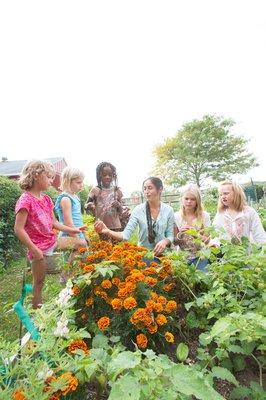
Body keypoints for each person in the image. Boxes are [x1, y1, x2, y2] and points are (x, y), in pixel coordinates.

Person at [14, 160, 86, 308]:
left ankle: (66, 275)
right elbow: (18, 229)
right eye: (49, 177)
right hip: (39, 248)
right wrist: (34, 250)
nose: (52, 181)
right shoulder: (25, 200)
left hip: (52, 241)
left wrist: (75, 231)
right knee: (38, 283)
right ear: (35, 175)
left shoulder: (46, 199)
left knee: (81, 243)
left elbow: (54, 223)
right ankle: (38, 315)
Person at [94, 177, 175, 257]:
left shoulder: (169, 210)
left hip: (164, 254)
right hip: (144, 255)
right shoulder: (138, 210)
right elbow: (125, 235)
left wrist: (164, 241)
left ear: (160, 189)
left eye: (150, 188)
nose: (146, 192)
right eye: (145, 189)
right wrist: (107, 231)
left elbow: (170, 235)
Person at [174, 184, 211, 271]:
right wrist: (180, 235)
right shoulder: (176, 217)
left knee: (203, 278)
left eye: (193, 199)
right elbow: (174, 242)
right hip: (182, 256)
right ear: (182, 199)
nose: (189, 201)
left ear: (197, 201)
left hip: (200, 256)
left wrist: (196, 235)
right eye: (186, 198)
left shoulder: (204, 216)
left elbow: (208, 241)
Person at [85, 161, 127, 234]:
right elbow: (85, 206)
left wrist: (119, 205)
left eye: (110, 175)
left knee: (117, 245)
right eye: (104, 175)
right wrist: (89, 205)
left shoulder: (117, 190)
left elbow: (122, 210)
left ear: (113, 176)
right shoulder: (95, 190)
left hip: (116, 226)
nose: (107, 177)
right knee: (104, 245)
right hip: (101, 226)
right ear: (99, 176)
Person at [54, 166, 87, 249]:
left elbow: (78, 220)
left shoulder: (75, 197)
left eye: (82, 182)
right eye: (78, 182)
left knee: (81, 258)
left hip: (78, 233)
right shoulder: (66, 199)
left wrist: (84, 235)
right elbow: (68, 223)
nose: (81, 185)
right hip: (69, 234)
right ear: (68, 182)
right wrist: (77, 239)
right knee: (76, 258)